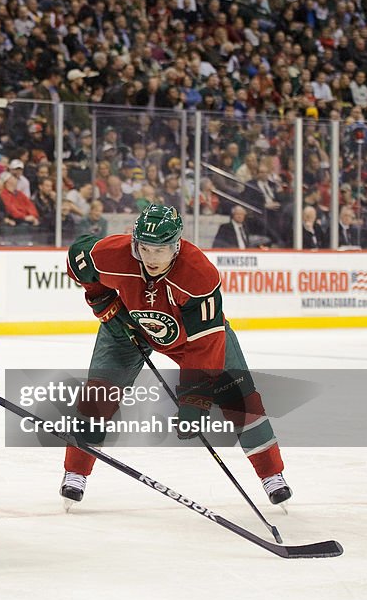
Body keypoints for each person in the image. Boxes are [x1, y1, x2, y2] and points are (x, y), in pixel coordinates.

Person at [60, 204, 291, 509]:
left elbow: (204, 346)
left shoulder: (198, 274)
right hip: (128, 330)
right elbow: (79, 258)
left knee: (240, 399)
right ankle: (75, 473)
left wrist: (194, 401)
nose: (151, 258)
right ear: (134, 243)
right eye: (144, 248)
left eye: (161, 250)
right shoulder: (113, 255)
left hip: (192, 339)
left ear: (177, 246)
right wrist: (101, 299)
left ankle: (271, 475)